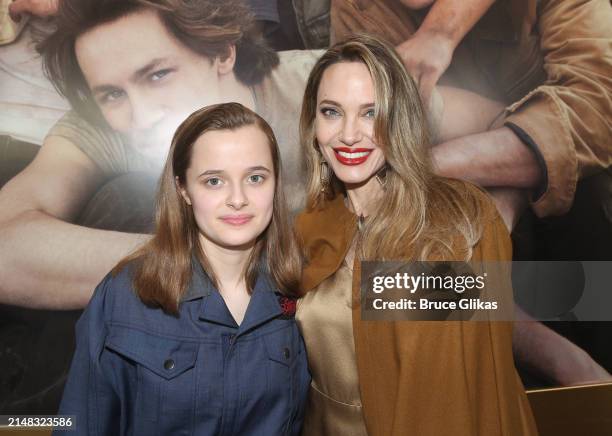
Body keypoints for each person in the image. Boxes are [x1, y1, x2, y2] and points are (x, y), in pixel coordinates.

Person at [294, 34, 537, 435]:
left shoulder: (460, 222)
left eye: (371, 113)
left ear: (400, 117)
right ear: (313, 123)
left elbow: (479, 383)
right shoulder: (307, 228)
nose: (349, 134)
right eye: (332, 112)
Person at [54, 102, 310, 435]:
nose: (238, 198)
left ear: (276, 183)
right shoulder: (125, 295)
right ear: (183, 189)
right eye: (214, 181)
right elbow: (80, 425)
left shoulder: (298, 289)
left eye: (255, 177)